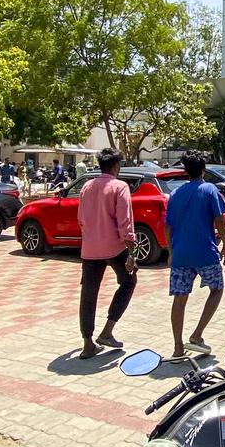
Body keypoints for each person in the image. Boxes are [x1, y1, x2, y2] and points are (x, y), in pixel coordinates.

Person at [165, 150, 225, 357]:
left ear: (185, 171)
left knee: (180, 298)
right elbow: (220, 220)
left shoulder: (176, 194)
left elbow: (168, 226)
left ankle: (177, 347)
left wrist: (170, 251)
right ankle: (197, 334)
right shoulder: (209, 189)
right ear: (203, 170)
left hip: (181, 254)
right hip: (205, 252)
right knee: (216, 289)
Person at [76, 148, 137, 360]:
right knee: (128, 282)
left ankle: (87, 342)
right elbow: (125, 223)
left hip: (90, 249)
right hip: (115, 247)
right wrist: (132, 253)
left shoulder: (87, 186)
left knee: (88, 294)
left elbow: (81, 219)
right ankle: (107, 331)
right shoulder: (120, 187)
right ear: (116, 166)